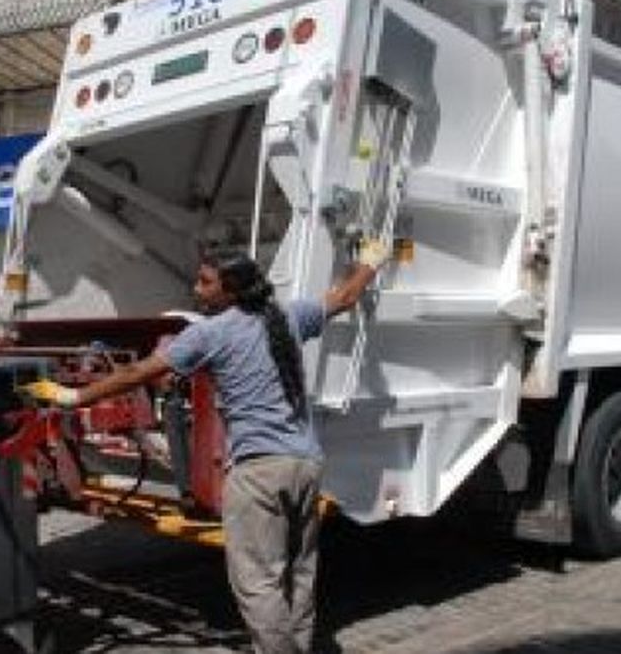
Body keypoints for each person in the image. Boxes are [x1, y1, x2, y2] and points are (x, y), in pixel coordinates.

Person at [25, 239, 390, 653]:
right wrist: (368, 262)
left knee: (259, 582)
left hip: (258, 475)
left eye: (205, 282)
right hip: (304, 465)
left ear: (230, 289)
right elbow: (345, 296)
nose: (197, 289)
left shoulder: (210, 335)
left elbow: (140, 372)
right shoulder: (288, 316)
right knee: (298, 573)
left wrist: (73, 397)